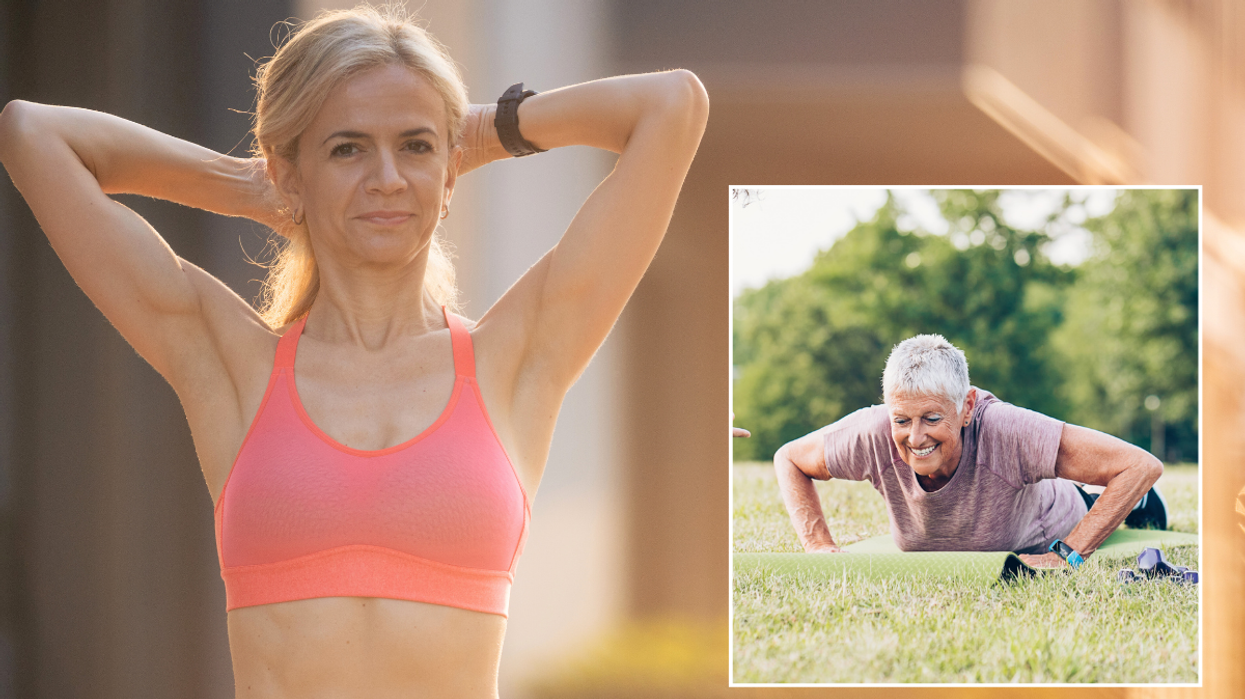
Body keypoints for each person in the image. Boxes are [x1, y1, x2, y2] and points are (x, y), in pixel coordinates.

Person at [0, 6, 707, 697]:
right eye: (347, 148)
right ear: (290, 171)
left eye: (415, 146)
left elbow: (671, 105)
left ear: (450, 171)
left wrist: (472, 133)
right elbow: (32, 133)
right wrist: (249, 184)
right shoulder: (229, 364)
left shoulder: (513, 359)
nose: (388, 178)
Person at [773, 334, 1166, 569]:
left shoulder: (1008, 430)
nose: (914, 438)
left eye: (930, 418)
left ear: (966, 407)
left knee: (1121, 497)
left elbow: (1139, 465)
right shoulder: (872, 433)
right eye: (901, 420)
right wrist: (819, 546)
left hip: (1060, 509)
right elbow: (789, 458)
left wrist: (1068, 555)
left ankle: (1140, 504)